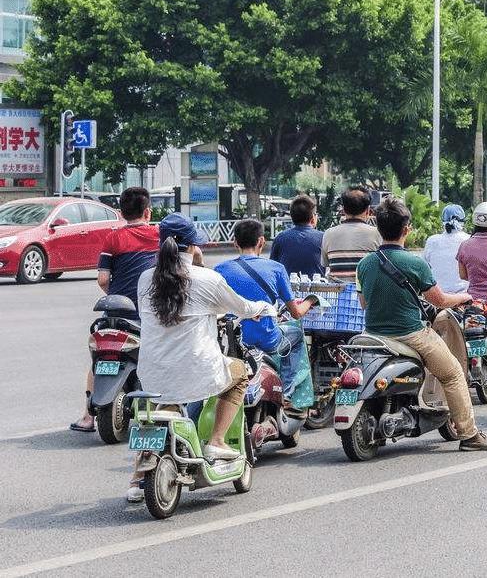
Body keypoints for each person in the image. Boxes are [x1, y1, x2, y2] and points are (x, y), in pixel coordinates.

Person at [130, 214, 274, 502]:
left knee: (168, 400)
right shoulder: (207, 279)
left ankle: (137, 476)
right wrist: (264, 308)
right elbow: (243, 308)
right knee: (240, 374)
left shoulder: (146, 278)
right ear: (194, 245)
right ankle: (217, 441)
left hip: (152, 373)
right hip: (199, 370)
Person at [356, 198, 487, 451]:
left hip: (373, 333)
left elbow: (364, 304)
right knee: (453, 374)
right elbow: (440, 300)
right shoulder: (414, 263)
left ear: (378, 227)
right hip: (411, 334)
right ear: (406, 229)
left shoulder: (364, 264)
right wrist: (465, 297)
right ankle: (469, 434)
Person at [72, 187, 158, 433]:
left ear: (121, 213)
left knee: (99, 356)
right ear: (148, 212)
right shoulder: (158, 235)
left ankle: (87, 417)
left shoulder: (113, 238)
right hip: (147, 314)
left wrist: (117, 297)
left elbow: (102, 279)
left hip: (117, 314)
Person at [215, 219, 316, 418]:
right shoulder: (276, 268)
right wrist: (311, 301)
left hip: (232, 341)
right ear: (261, 241)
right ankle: (287, 394)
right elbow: (295, 312)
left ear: (235, 242)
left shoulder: (220, 269)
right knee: (295, 334)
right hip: (267, 341)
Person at [321, 187, 380, 280]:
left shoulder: (329, 234)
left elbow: (326, 264)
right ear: (368, 211)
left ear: (343, 210)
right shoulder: (378, 234)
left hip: (338, 293)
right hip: (367, 292)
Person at [269, 194, 324, 278]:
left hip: (288, 289)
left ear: (292, 217)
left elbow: (273, 268)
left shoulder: (280, 239)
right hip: (318, 289)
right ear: (313, 217)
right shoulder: (322, 238)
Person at [423, 204, 470, 294]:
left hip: (439, 295)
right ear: (463, 222)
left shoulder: (432, 240)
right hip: (464, 294)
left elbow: (425, 266)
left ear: (443, 222)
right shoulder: (469, 240)